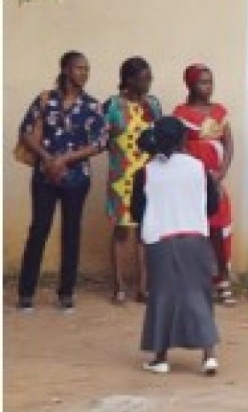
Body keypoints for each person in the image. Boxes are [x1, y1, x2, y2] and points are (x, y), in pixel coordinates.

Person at [15, 51, 108, 312]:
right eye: (79, 68)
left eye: (86, 69)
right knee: (39, 229)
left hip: (77, 178)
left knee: (71, 232)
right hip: (44, 176)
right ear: (66, 70)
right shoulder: (46, 99)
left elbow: (100, 143)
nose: (84, 73)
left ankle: (66, 292)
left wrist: (65, 159)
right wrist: (47, 159)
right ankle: (26, 292)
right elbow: (26, 132)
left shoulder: (92, 105)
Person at [132, 117, 222, 376]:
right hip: (195, 238)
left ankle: (160, 358)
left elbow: (137, 210)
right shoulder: (199, 168)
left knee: (162, 296)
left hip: (161, 240)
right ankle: (209, 356)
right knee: (199, 294)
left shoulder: (146, 172)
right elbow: (212, 205)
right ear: (183, 139)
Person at [174, 64, 236, 305]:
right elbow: (179, 147)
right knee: (193, 232)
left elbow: (228, 145)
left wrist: (221, 173)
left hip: (214, 179)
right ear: (190, 84)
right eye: (202, 82)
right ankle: (196, 281)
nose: (208, 87)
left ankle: (223, 280)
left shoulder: (219, 112)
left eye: (210, 82)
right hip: (190, 180)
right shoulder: (180, 113)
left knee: (218, 230)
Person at [104, 57, 163, 305]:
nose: (148, 82)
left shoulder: (153, 105)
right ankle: (119, 286)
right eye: (143, 78)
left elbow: (160, 136)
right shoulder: (113, 106)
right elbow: (101, 138)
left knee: (145, 231)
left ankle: (143, 288)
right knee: (122, 230)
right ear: (128, 80)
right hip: (122, 178)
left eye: (150, 78)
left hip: (148, 177)